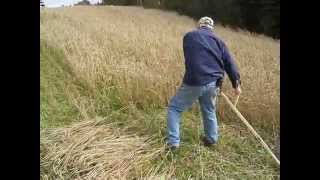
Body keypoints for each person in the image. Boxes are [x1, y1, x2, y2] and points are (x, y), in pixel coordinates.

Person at [166, 16, 242, 150]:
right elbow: (229, 63)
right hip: (214, 82)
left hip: (195, 80)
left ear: (199, 25)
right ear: (211, 28)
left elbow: (191, 57)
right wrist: (236, 85)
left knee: (174, 108)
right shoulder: (220, 41)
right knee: (209, 110)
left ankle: (173, 143)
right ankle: (211, 139)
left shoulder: (189, 36)